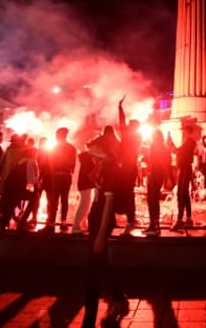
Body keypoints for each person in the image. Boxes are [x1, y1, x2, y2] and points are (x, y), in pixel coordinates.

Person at [83, 125, 128, 327]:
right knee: (102, 263)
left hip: (102, 221)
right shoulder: (104, 167)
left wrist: (101, 235)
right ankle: (118, 298)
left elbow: (109, 204)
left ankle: (90, 315)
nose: (92, 158)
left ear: (104, 152)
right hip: (96, 218)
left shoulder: (112, 171)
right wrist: (96, 170)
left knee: (92, 268)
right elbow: (98, 189)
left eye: (95, 155)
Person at [44, 127, 77, 232]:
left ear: (59, 136)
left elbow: (50, 164)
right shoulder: (72, 148)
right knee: (64, 199)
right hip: (67, 176)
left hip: (56, 176)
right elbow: (73, 164)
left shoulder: (55, 148)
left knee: (54, 200)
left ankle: (51, 223)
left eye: (56, 135)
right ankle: (63, 222)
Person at [118, 96, 142, 236]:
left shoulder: (129, 135)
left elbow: (122, 121)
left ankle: (130, 220)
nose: (128, 123)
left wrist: (120, 108)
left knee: (126, 193)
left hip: (126, 167)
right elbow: (123, 122)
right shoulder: (136, 136)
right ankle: (130, 219)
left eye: (130, 123)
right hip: (130, 167)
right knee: (128, 193)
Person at [146, 130, 171, 236]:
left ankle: (154, 225)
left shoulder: (155, 146)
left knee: (151, 199)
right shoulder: (164, 147)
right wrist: (167, 177)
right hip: (158, 175)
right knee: (154, 199)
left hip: (154, 174)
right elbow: (166, 163)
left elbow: (155, 161)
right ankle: (155, 224)